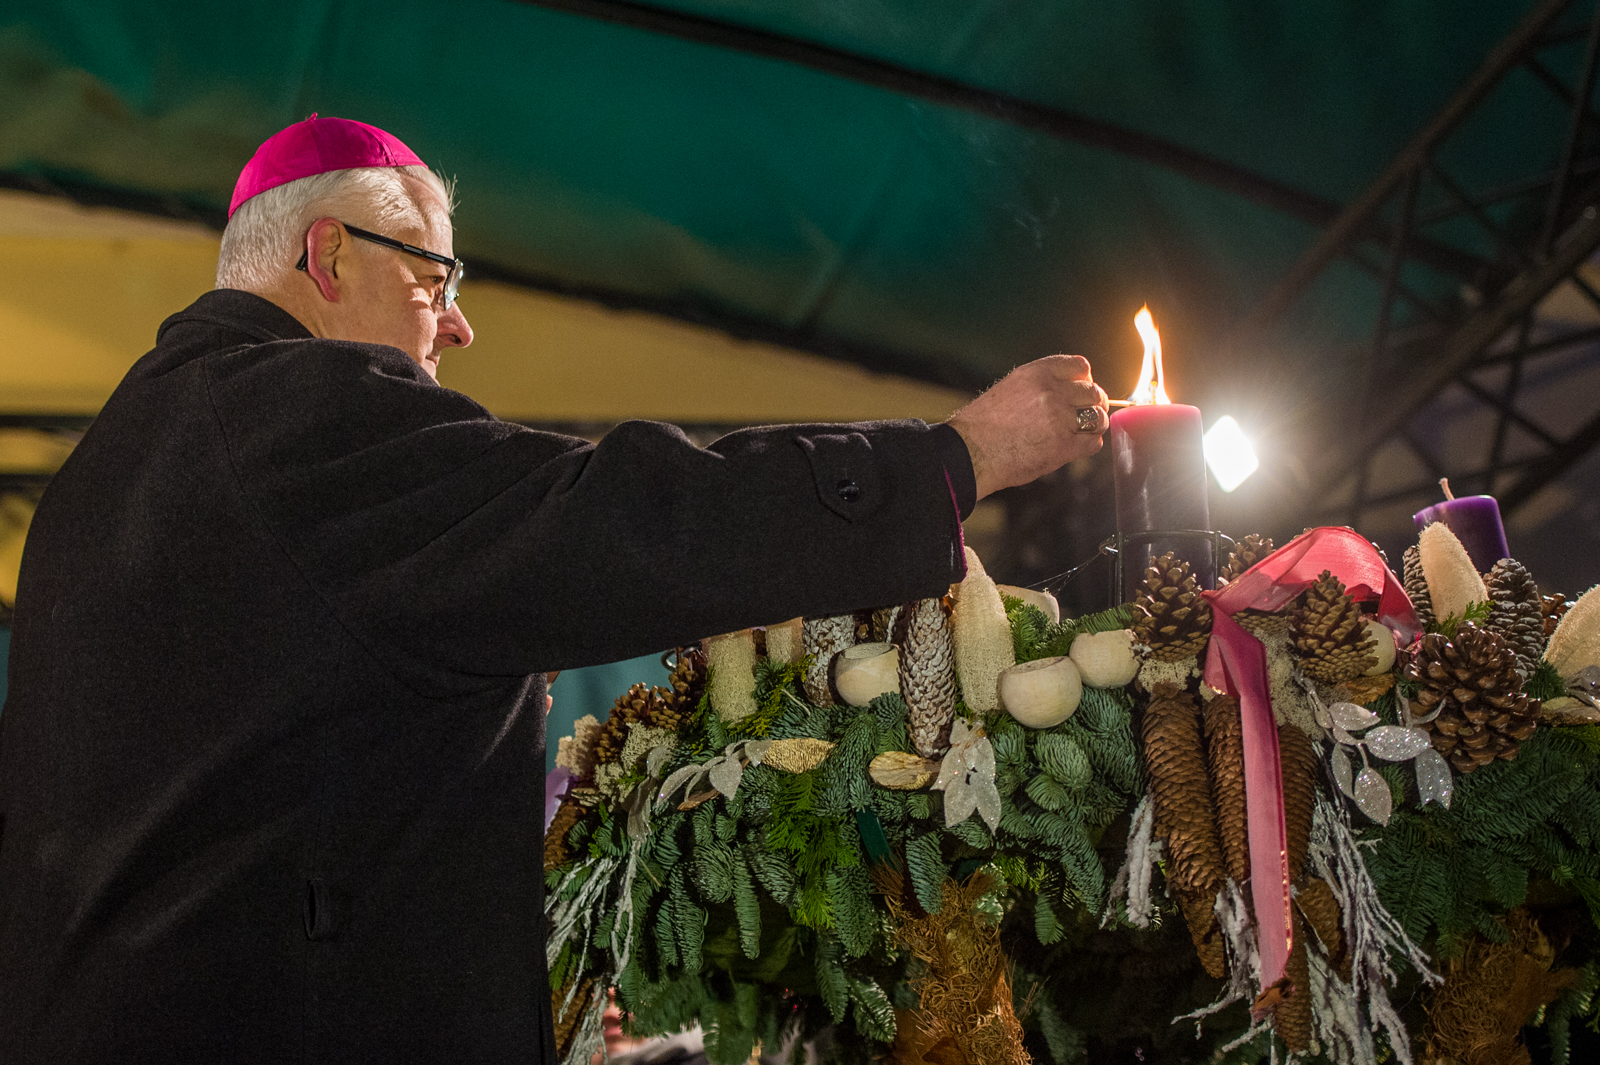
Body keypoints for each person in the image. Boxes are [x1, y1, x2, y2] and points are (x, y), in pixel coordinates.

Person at [0, 115, 1108, 1064]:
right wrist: (951, 461)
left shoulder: (109, 469)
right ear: (328, 254)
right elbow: (617, 519)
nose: (457, 322)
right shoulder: (300, 420)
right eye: (433, 276)